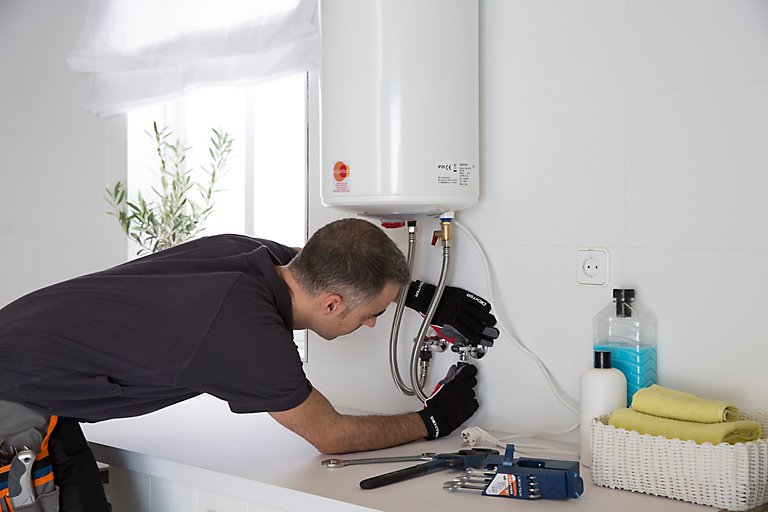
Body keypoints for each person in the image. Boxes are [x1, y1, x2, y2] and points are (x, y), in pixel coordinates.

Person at [0, 218, 498, 511]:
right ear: (330, 305)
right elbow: (332, 435)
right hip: (11, 405)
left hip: (33, 376)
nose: (371, 325)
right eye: (372, 314)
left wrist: (421, 297)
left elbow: (324, 257)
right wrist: (432, 420)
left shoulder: (246, 255)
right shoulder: (248, 335)